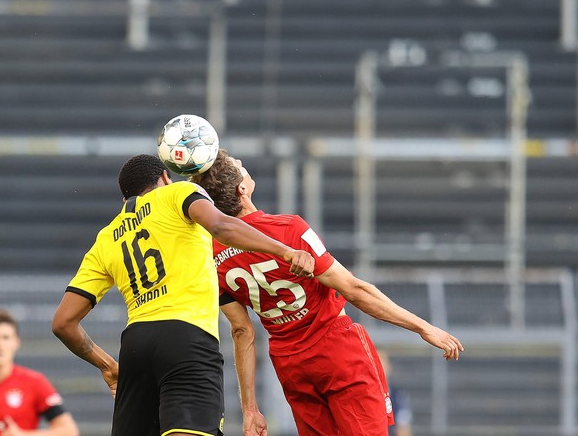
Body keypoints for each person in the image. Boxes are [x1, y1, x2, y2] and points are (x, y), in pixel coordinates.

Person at [190, 150, 464, 436]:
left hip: (289, 362)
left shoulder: (210, 254)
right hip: (336, 349)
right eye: (238, 165)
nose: (242, 164)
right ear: (242, 189)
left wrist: (250, 408)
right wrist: (423, 327)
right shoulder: (288, 230)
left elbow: (241, 331)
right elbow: (354, 289)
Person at [51, 154, 316, 436]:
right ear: (165, 177)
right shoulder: (178, 193)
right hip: (186, 340)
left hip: (134, 349)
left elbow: (63, 323)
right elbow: (221, 226)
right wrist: (285, 250)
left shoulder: (107, 237)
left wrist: (109, 366)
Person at [378, 349, 414, 436]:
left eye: (382, 363)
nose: (379, 368)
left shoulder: (397, 396)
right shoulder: (360, 395)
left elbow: (403, 428)